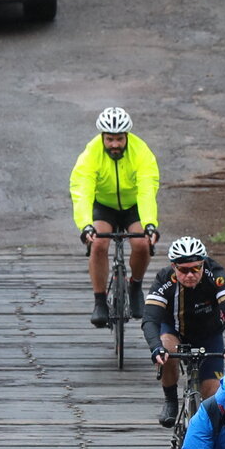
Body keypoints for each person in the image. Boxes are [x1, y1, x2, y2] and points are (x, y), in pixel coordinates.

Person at [68, 106, 160, 326]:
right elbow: (82, 189)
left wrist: (149, 224)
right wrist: (86, 226)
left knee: (141, 244)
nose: (115, 144)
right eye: (110, 139)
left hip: (133, 204)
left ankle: (135, 286)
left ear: (127, 136)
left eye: (119, 139)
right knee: (99, 243)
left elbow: (147, 190)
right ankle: (100, 301)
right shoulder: (91, 153)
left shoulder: (141, 152)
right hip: (104, 205)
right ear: (102, 137)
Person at [142, 236, 225, 427]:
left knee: (213, 394)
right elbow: (150, 319)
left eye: (196, 268)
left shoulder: (215, 274)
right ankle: (170, 400)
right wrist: (156, 347)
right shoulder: (164, 279)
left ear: (203, 264)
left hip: (209, 334)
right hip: (174, 331)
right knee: (166, 350)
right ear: (174, 267)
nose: (190, 274)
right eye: (183, 270)